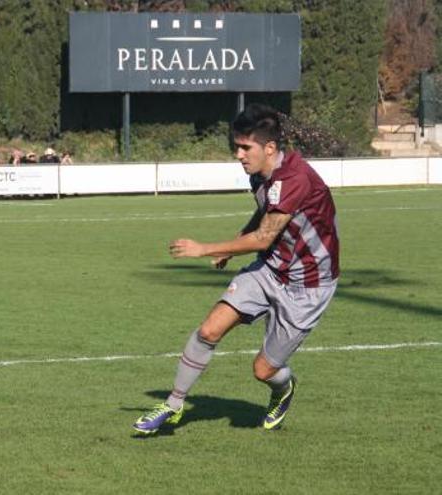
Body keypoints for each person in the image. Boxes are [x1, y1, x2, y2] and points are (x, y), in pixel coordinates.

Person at [133, 103, 339, 435]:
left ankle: (283, 388)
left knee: (264, 370)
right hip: (271, 268)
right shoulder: (260, 173)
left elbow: (265, 236)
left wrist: (207, 248)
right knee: (209, 330)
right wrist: (235, 240)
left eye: (246, 147)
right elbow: (265, 213)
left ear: (269, 148)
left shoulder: (295, 178)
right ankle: (172, 405)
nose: (239, 155)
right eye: (237, 146)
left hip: (308, 285)